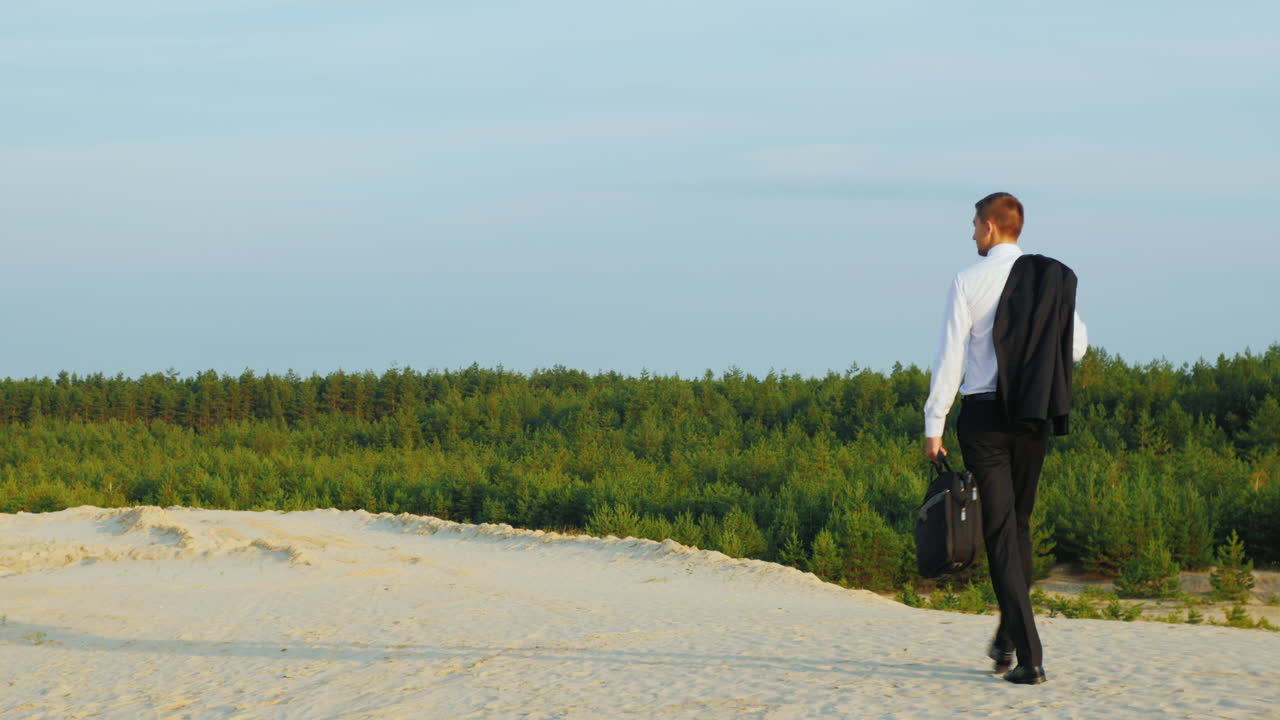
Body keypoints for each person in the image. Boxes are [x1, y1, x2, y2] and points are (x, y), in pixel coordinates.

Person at [922, 192, 1087, 686]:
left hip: (986, 417)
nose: (972, 233)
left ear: (991, 228)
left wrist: (935, 424)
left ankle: (1030, 658)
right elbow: (1076, 345)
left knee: (999, 537)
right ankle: (1009, 637)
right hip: (1033, 418)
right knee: (1018, 527)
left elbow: (950, 358)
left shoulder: (969, 280)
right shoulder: (1047, 280)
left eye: (975, 224)